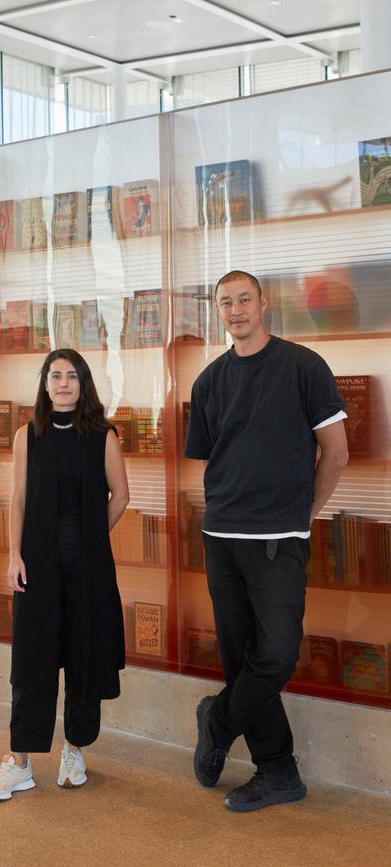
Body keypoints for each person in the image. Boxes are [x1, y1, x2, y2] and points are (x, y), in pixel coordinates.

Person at [184, 270, 349, 812]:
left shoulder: (304, 367)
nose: (235, 310)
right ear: (218, 311)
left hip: (280, 539)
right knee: (242, 657)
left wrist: (304, 514)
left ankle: (219, 719)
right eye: (225, 302)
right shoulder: (208, 381)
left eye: (244, 299)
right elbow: (217, 459)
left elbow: (336, 452)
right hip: (221, 537)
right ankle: (277, 771)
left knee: (277, 653)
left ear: (264, 303)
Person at [0, 348, 129, 800]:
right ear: (45, 384)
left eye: (71, 376)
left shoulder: (103, 435)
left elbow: (120, 496)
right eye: (55, 375)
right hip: (37, 563)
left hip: (89, 568)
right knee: (32, 659)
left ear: (83, 384)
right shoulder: (28, 435)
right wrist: (14, 555)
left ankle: (74, 749)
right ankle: (20, 761)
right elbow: (19, 498)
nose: (63, 383)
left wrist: (88, 538)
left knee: (84, 655)